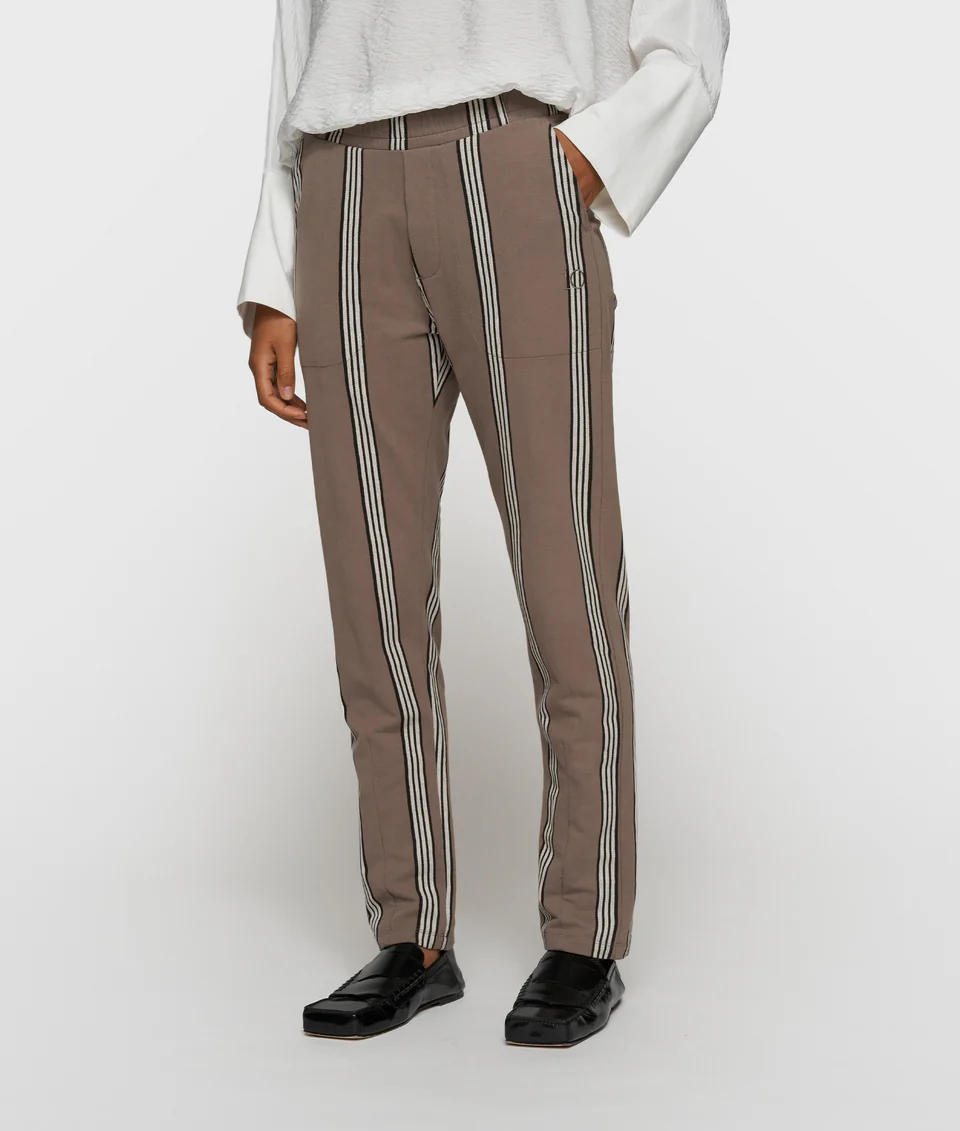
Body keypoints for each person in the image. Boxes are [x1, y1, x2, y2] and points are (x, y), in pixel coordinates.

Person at [238, 0, 729, 1048]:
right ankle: (410, 934)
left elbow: (688, 32)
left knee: (567, 574)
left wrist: (586, 159)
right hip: (341, 182)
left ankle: (584, 934)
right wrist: (273, 271)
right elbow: (299, 38)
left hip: (513, 159)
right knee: (372, 590)